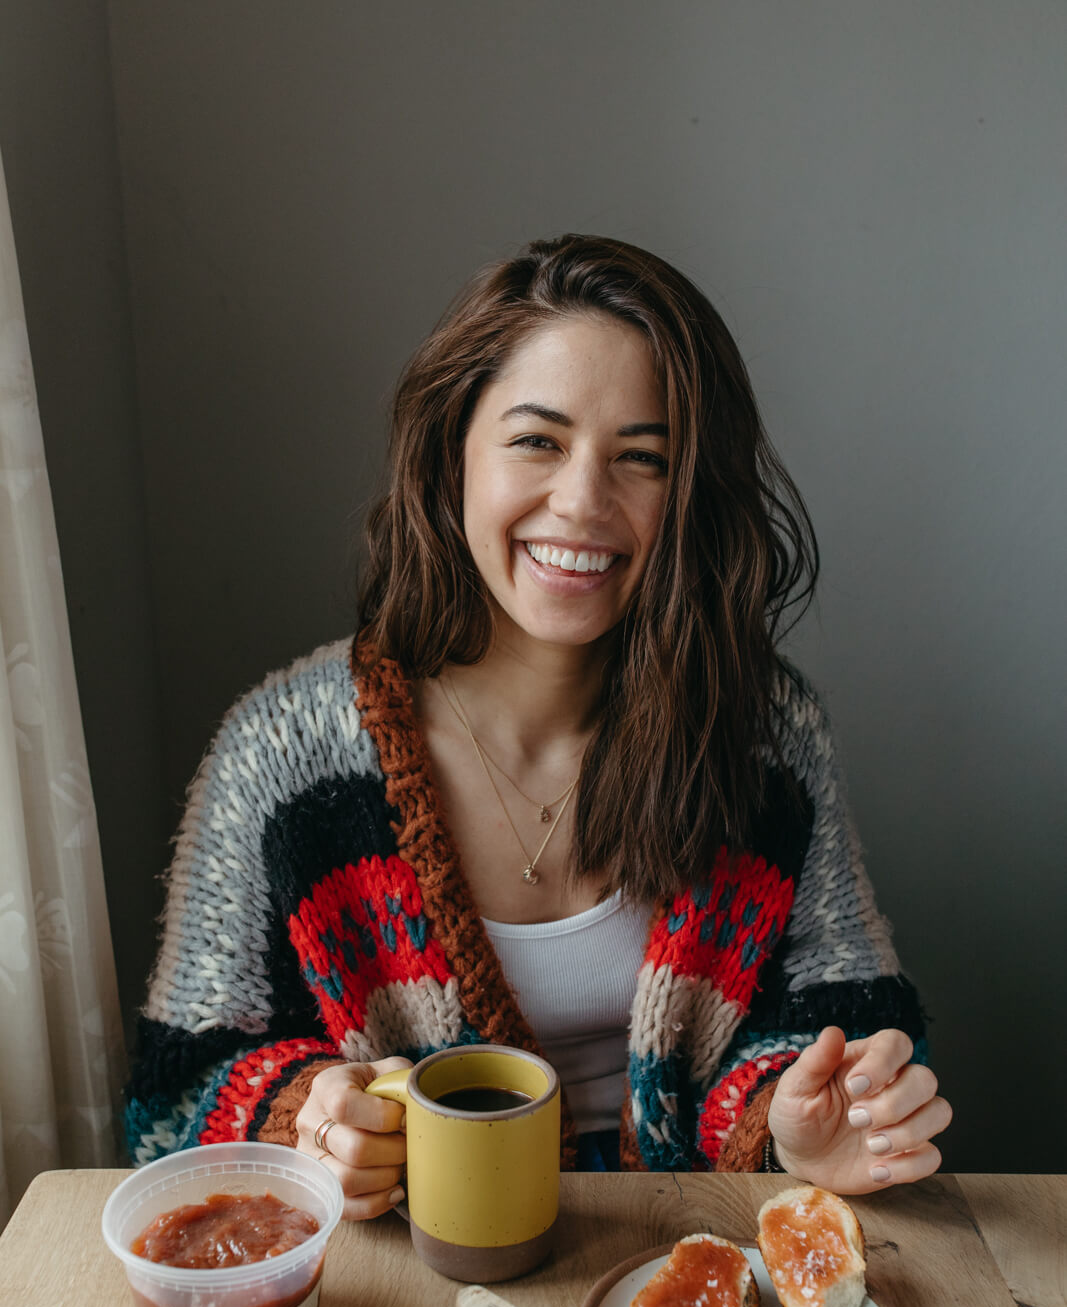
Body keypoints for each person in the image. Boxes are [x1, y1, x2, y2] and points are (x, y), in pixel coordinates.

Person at [125, 233, 951, 1217]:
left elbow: (845, 1024)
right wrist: (305, 1117)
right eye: (536, 440)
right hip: (413, 1279)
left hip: (693, 1240)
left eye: (640, 459)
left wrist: (796, 1118)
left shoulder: (764, 736)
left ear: (687, 496)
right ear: (451, 454)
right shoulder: (282, 759)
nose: (581, 502)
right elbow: (173, 1099)